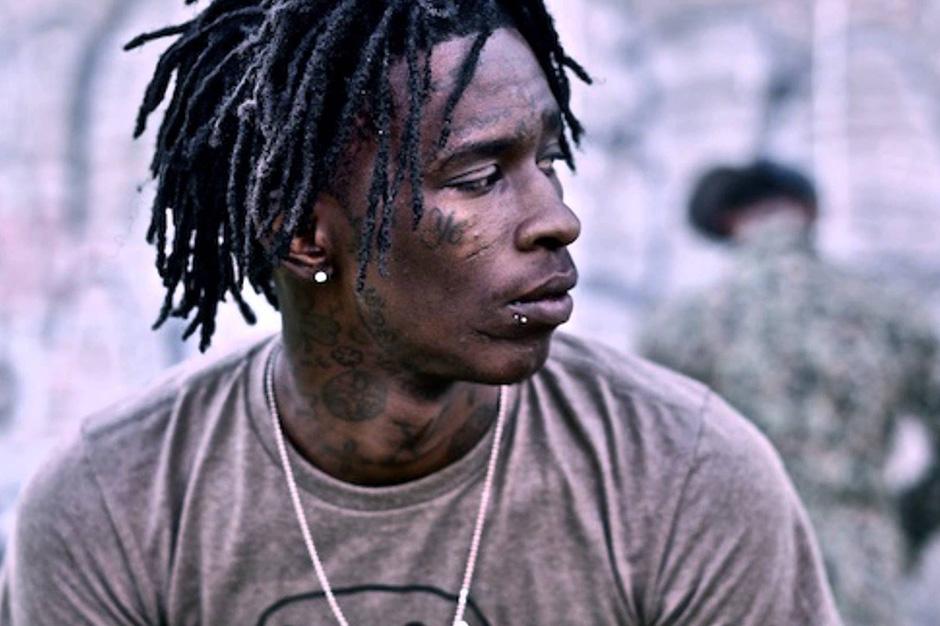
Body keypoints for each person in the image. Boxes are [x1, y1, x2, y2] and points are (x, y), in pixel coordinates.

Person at [0, 3, 840, 624]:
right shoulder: (112, 506)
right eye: (479, 177)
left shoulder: (684, 475)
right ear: (302, 234)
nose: (557, 218)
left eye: (548, 161)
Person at [639, 159, 940, 626]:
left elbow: (649, 470)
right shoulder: (890, 312)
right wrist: (900, 527)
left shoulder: (682, 324)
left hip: (738, 573)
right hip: (864, 568)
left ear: (725, 221)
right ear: (810, 211)